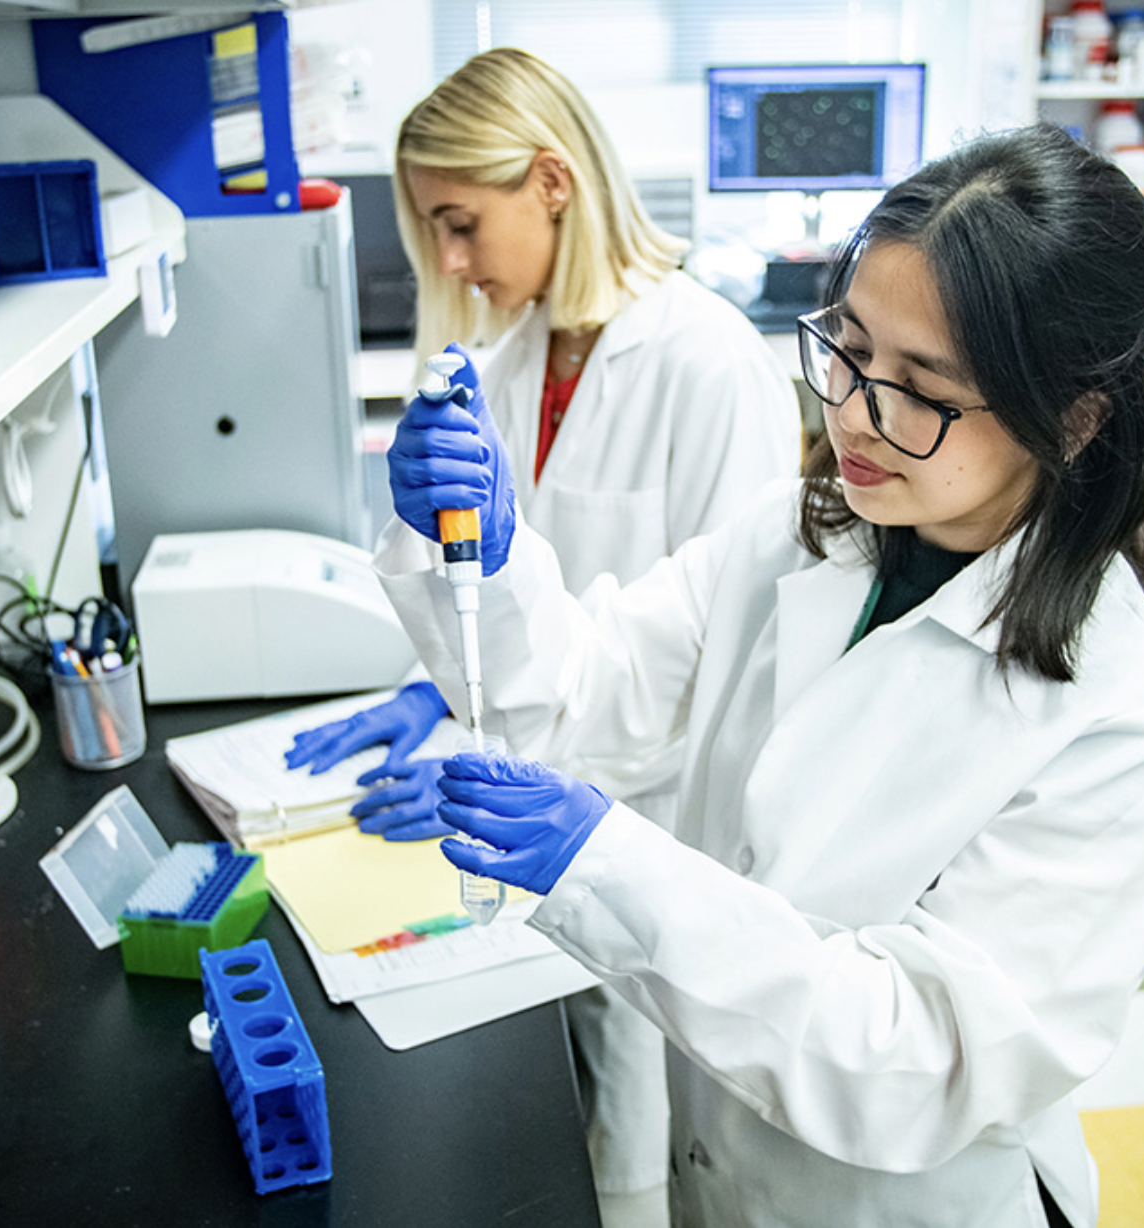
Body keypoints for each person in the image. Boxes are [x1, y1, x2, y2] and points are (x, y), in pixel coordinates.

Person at [371, 123, 1144, 1228]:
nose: (852, 412)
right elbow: (584, 691)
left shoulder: (1121, 706)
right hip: (718, 1174)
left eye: (921, 387)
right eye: (848, 348)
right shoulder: (797, 536)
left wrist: (608, 867)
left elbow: (918, 1057)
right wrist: (484, 552)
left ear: (1072, 413)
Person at [284, 47, 801, 1206]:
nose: (453, 263)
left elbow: (733, 681)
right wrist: (439, 699)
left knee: (633, 1149)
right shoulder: (512, 359)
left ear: (553, 183)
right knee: (555, 1131)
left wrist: (530, 774)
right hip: (537, 838)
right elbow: (509, 602)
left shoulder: (709, 362)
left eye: (461, 224)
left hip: (658, 842)